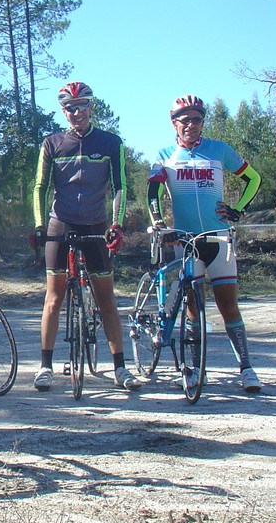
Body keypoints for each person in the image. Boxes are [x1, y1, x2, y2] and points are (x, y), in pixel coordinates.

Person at [147, 94, 263, 393]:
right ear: (174, 123)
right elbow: (152, 193)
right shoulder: (164, 155)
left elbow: (253, 178)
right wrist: (160, 223)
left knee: (228, 305)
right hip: (185, 240)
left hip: (219, 238)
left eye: (197, 120)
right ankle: (196, 369)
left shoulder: (219, 150)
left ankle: (246, 369)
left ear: (202, 122)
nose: (191, 125)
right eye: (185, 120)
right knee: (192, 305)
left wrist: (238, 210)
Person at [30, 82, 142, 392]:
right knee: (54, 298)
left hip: (96, 225)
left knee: (106, 298)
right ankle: (45, 366)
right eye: (70, 108)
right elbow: (40, 187)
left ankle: (120, 367)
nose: (76, 112)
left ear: (91, 107)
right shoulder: (52, 143)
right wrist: (39, 226)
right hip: (61, 223)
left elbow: (120, 186)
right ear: (63, 111)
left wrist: (117, 225)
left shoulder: (110, 142)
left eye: (81, 106)